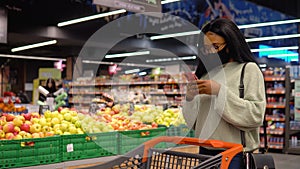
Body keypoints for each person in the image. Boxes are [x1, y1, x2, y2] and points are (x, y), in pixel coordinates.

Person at [183, 18, 266, 169]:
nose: (209, 52)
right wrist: (190, 98)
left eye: (215, 46)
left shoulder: (248, 70)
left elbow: (256, 115)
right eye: (205, 48)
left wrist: (219, 92)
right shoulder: (206, 74)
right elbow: (193, 123)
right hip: (204, 151)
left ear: (231, 44)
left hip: (234, 154)